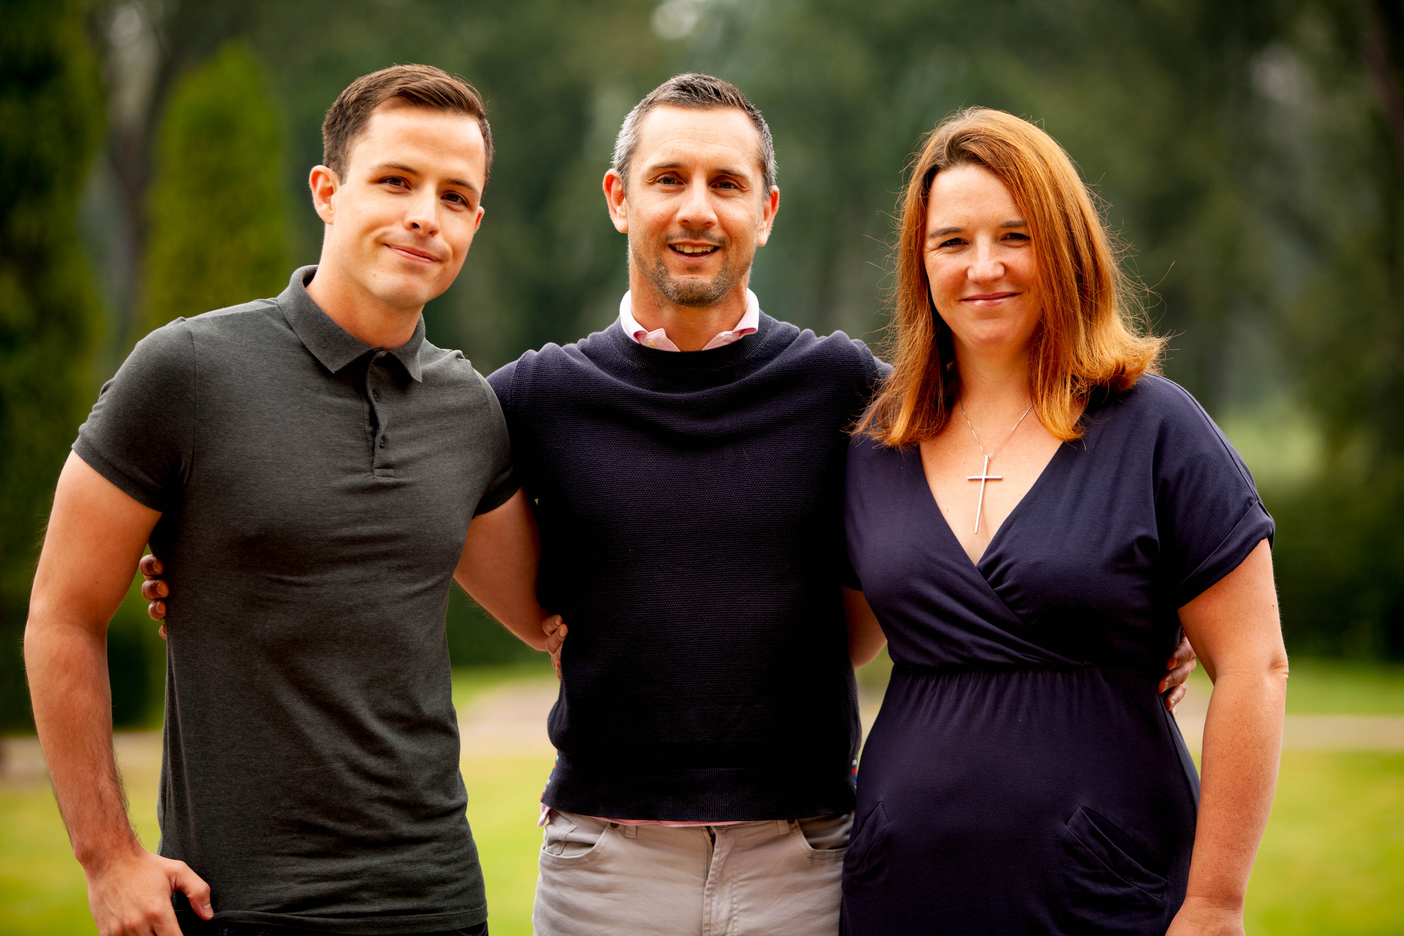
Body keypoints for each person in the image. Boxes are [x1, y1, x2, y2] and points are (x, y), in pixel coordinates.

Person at [142, 75, 1198, 936]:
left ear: (766, 211)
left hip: (811, 853)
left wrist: (1122, 625)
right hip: (603, 859)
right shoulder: (528, 398)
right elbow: (380, 501)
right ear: (619, 198)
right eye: (669, 179)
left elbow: (986, 495)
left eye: (727, 183)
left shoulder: (851, 392)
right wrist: (212, 557)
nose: (698, 208)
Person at [24, 65, 560, 936]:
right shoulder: (186, 372)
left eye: (455, 195)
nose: (426, 212)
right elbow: (61, 614)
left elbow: (554, 618)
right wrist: (108, 858)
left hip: (437, 900)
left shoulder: (469, 409)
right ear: (327, 191)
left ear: (474, 223)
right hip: (233, 903)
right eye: (396, 180)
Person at [839, 107, 1288, 935]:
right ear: (919, 262)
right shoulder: (876, 446)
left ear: (1066, 246)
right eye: (952, 242)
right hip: (900, 890)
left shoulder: (1156, 428)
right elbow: (834, 640)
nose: (983, 268)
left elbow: (1256, 666)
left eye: (1016, 235)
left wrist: (1216, 904)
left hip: (1108, 893)